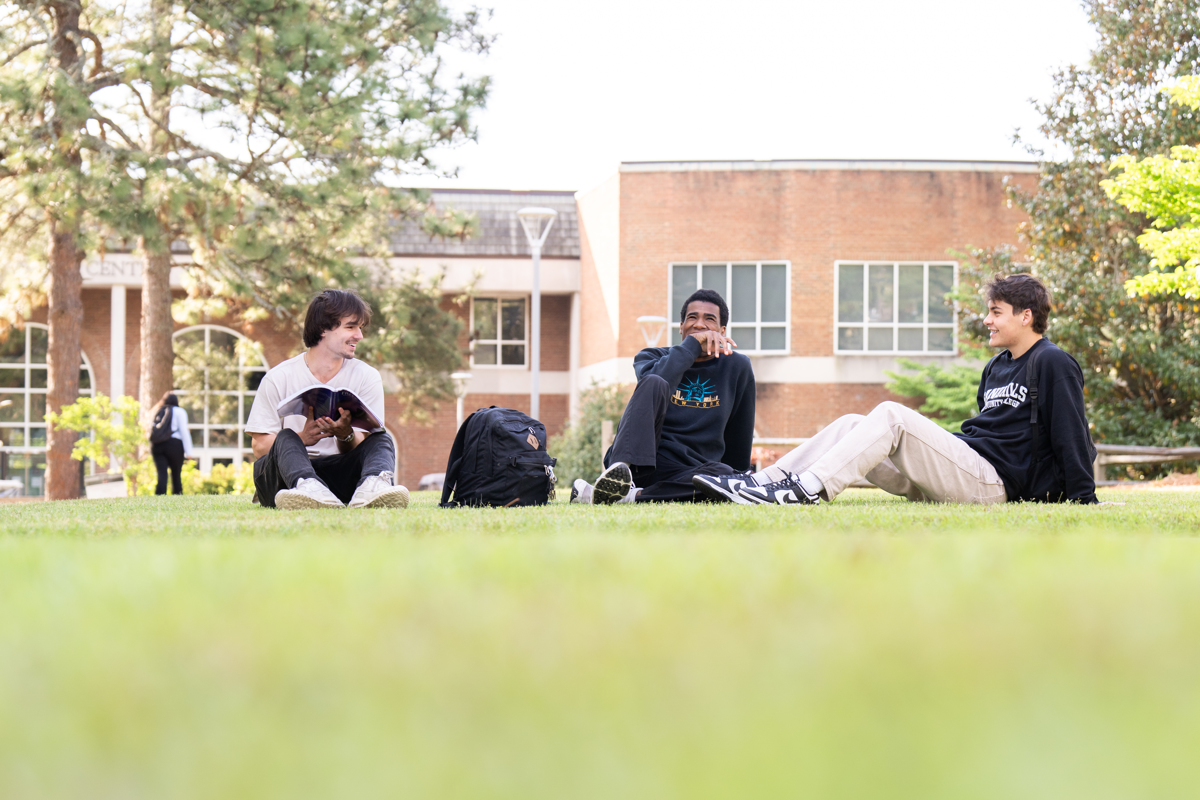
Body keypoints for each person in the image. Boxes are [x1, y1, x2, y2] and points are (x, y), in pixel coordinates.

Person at [693, 274, 1097, 507]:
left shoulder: (1052, 362)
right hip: (965, 469)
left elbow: (1071, 435)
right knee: (854, 422)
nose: (986, 320)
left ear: (1026, 316)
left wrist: (1084, 498)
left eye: (995, 312)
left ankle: (804, 491)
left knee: (892, 414)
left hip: (995, 486)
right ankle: (757, 483)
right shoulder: (996, 366)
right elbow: (988, 431)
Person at [571, 288, 756, 504]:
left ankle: (631, 497)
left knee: (723, 476)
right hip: (644, 464)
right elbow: (653, 384)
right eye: (692, 317)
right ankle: (620, 479)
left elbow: (740, 429)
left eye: (709, 319)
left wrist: (736, 479)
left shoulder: (737, 366)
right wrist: (692, 346)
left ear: (722, 331)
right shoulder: (652, 357)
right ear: (681, 327)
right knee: (654, 381)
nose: (699, 324)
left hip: (694, 472)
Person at [244, 289, 410, 510]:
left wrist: (346, 435)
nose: (359, 335)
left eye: (360, 328)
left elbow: (362, 443)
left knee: (381, 438)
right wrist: (301, 438)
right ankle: (306, 488)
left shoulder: (367, 377)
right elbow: (259, 446)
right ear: (323, 328)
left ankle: (373, 487)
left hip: (337, 476)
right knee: (286, 436)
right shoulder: (278, 377)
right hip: (284, 480)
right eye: (351, 327)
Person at [150, 392, 194, 495]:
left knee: (162, 474)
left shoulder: (157, 410)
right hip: (174, 445)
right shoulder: (179, 411)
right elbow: (184, 431)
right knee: (176, 474)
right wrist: (189, 452)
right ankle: (177, 496)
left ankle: (159, 498)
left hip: (157, 445)